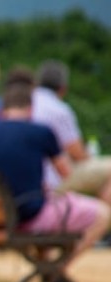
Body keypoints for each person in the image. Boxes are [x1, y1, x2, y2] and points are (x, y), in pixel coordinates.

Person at [0, 83, 110, 282]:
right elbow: (67, 174)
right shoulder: (40, 132)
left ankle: (49, 270)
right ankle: (55, 273)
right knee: (103, 214)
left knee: (45, 207)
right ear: (31, 109)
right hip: (28, 217)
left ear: (1, 111)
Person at [30, 60, 111, 207]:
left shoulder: (24, 104)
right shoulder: (59, 110)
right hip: (51, 183)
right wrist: (88, 154)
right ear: (63, 88)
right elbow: (77, 153)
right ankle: (104, 215)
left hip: (25, 183)